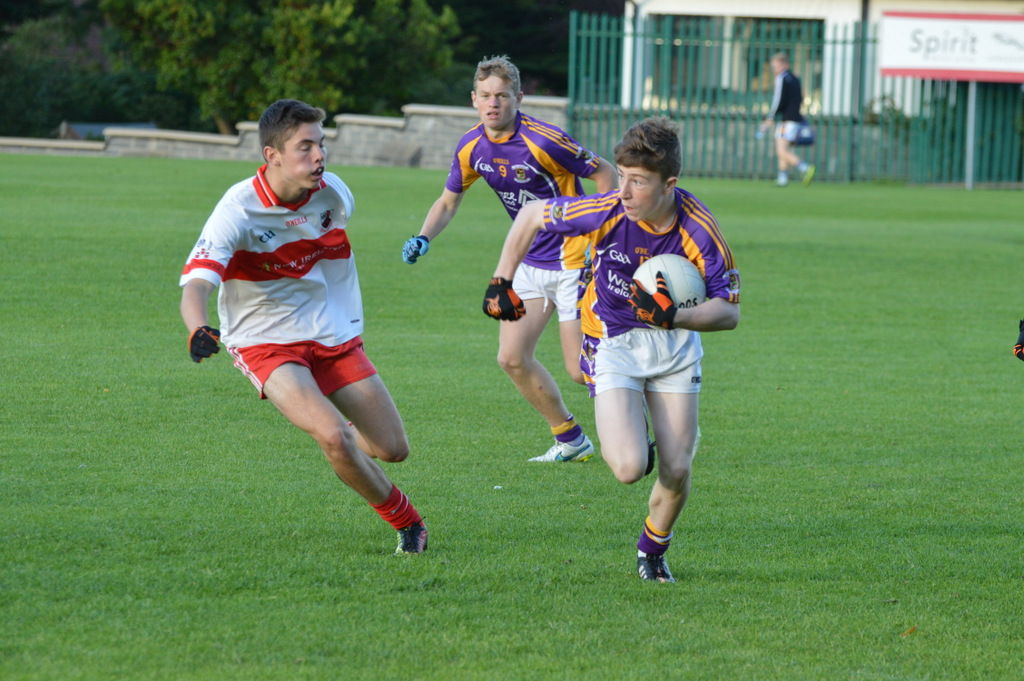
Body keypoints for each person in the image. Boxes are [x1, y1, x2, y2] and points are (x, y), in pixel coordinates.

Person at [483, 117, 740, 583]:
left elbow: (728, 311)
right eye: (621, 176)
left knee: (677, 468)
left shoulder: (699, 230)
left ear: (670, 185)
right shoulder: (607, 209)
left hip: (675, 346)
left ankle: (652, 549)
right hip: (612, 341)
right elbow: (530, 215)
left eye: (638, 182)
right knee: (628, 468)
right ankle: (635, 433)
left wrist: (673, 316)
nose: (624, 190)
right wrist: (502, 278)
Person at [180, 99, 428, 554]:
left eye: (322, 144)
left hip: (331, 334)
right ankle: (409, 524)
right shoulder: (237, 209)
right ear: (272, 156)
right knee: (333, 436)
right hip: (264, 343)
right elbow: (196, 283)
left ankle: (346, 443)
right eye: (305, 147)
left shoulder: (334, 193)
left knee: (392, 448)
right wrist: (199, 328)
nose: (319, 156)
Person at [403, 55, 617, 463]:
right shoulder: (471, 146)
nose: (493, 103)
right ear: (473, 99)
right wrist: (423, 237)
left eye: (502, 95)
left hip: (574, 259)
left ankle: (638, 421)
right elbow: (449, 201)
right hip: (529, 262)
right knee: (512, 358)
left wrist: (599, 242)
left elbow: (605, 173)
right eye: (485, 95)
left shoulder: (545, 140)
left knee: (578, 369)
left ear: (519, 97)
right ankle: (571, 440)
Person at [758, 52, 815, 187]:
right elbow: (800, 97)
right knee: (784, 149)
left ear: (785, 65)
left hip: (787, 120)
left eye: (777, 66)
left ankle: (805, 168)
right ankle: (783, 178)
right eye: (774, 67)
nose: (775, 70)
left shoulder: (782, 78)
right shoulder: (795, 78)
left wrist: (771, 116)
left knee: (781, 150)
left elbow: (778, 100)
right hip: (794, 118)